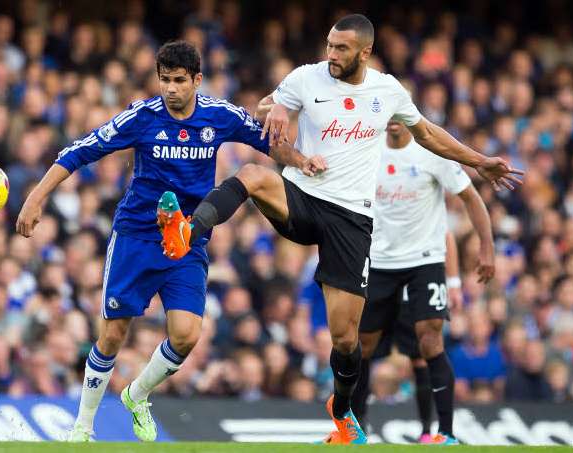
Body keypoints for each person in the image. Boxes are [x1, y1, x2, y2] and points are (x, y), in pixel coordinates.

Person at [157, 14, 522, 445]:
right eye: (329, 45)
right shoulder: (306, 78)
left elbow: (428, 134)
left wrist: (479, 161)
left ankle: (344, 413)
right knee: (254, 174)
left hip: (352, 220)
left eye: (342, 48)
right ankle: (187, 230)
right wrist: (274, 106)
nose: (331, 54)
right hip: (304, 198)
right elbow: (268, 109)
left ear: (364, 52)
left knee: (346, 338)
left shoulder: (387, 91)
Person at [15, 41, 315, 442]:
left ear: (197, 80)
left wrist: (304, 162)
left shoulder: (220, 116)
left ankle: (137, 395)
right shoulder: (142, 117)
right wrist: (36, 197)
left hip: (188, 237)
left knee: (188, 335)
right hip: (137, 236)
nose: (170, 89)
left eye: (178, 81)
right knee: (113, 335)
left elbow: (269, 142)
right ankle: (82, 427)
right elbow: (80, 150)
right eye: (165, 80)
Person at [349, 118, 495, 445]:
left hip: (425, 260)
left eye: (401, 115)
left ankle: (444, 432)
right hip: (380, 262)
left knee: (430, 341)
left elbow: (471, 197)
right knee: (363, 345)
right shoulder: (367, 153)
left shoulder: (432, 153)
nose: (394, 121)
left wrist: (487, 246)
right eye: (388, 114)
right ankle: (354, 431)